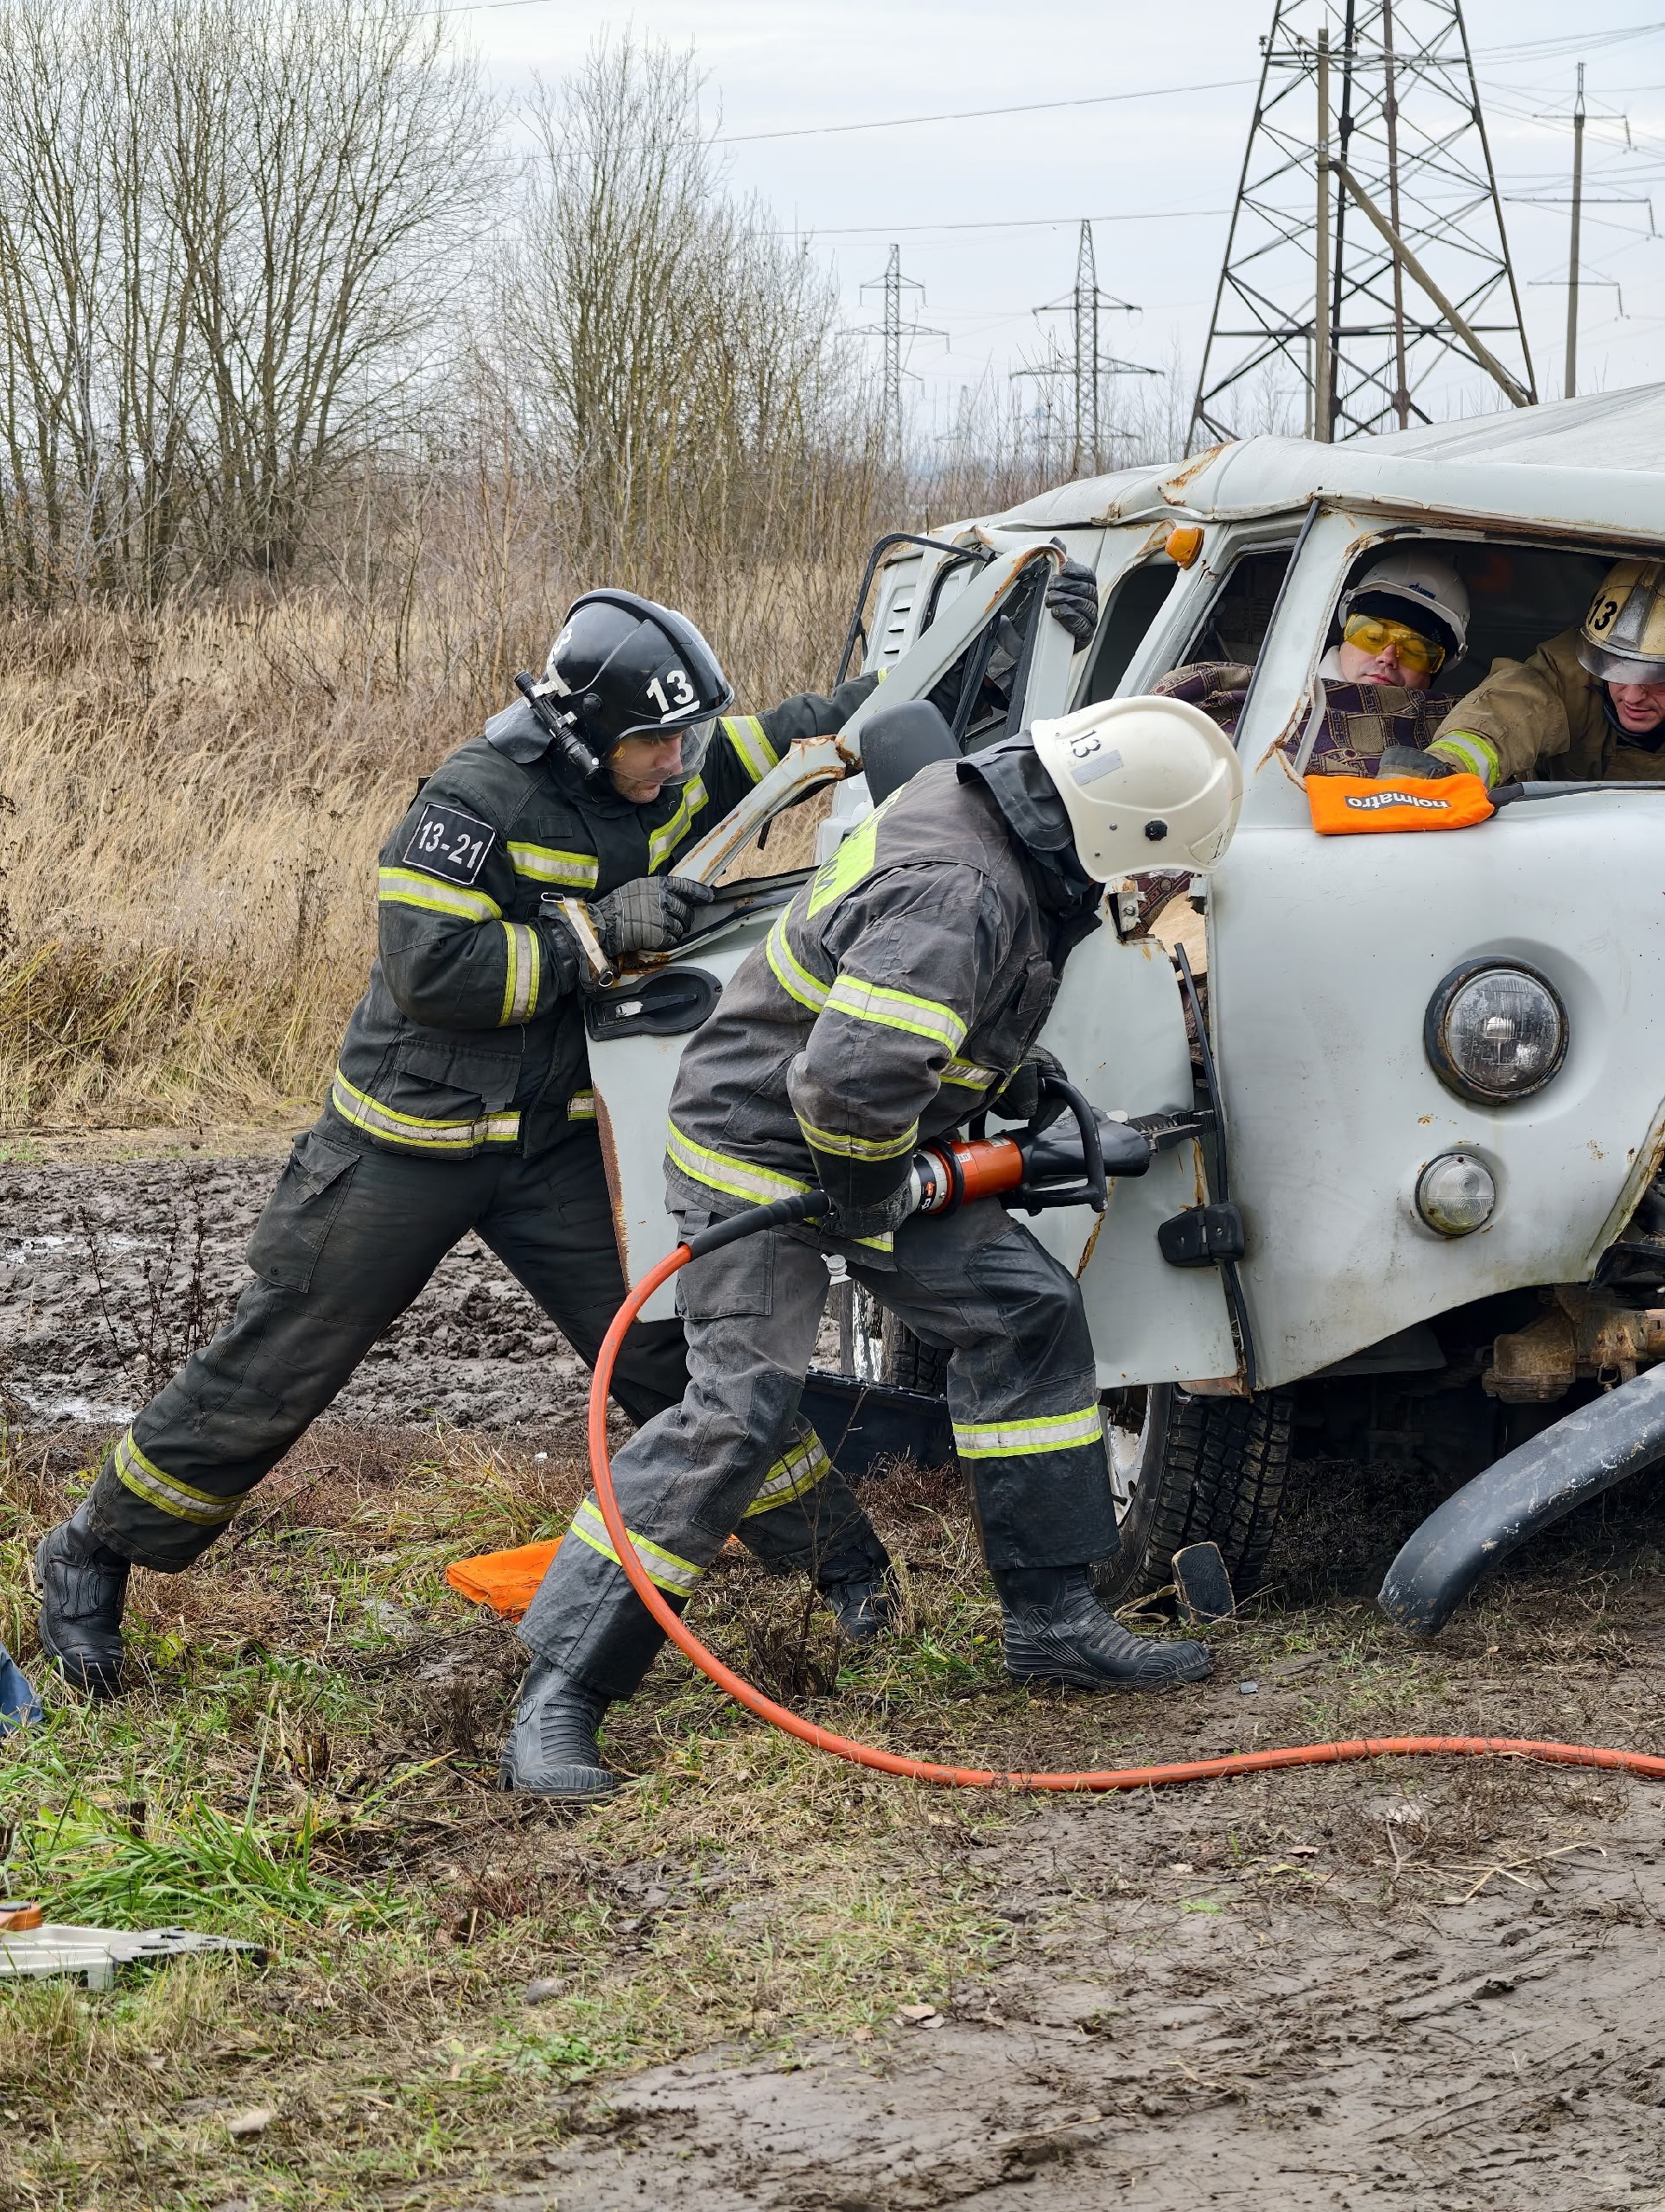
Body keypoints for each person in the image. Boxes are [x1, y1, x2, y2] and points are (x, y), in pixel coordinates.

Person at [35, 570, 1103, 1701]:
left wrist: (993, 647)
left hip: (552, 1148)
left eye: (686, 738)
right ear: (584, 735)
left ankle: (842, 1574)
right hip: (405, 1144)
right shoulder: (471, 798)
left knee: (666, 1355)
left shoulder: (668, 772)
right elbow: (430, 972)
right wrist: (591, 938)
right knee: (279, 1365)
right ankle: (92, 1557)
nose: (680, 763)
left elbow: (810, 731)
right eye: (656, 744)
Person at [497, 688, 1244, 1802]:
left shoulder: (991, 804)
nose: (1148, 892)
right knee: (735, 1410)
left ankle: (1051, 1617)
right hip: (766, 1149)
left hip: (881, 1134)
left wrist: (1015, 1085)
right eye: (1153, 868)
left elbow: (910, 1018)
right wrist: (883, 1195)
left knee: (1023, 1311)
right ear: (1114, 828)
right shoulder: (963, 889)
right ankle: (559, 1694)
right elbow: (844, 1087)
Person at [1149, 546, 1471, 779]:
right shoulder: (1256, 702)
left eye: (1415, 650)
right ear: (1345, 633)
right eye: (1371, 635)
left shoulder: (1455, 732)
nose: (1387, 657)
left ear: (1437, 669)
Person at [1423, 558, 1665, 788]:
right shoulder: (1565, 675)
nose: (1632, 696)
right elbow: (1510, 709)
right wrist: (1444, 770)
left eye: (1656, 679)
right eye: (1617, 669)